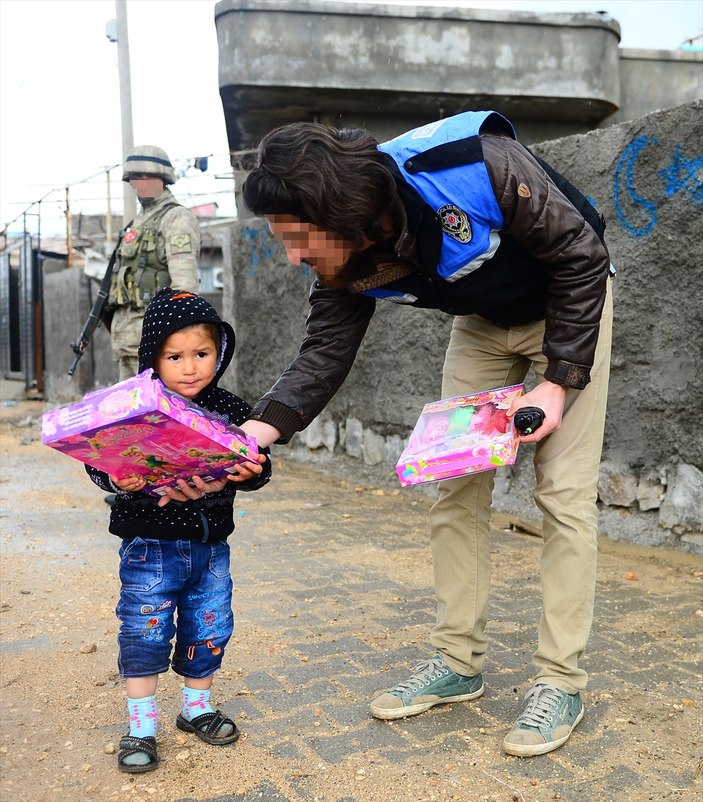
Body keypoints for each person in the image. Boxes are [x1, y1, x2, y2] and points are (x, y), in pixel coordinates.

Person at [238, 110, 614, 757]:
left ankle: (559, 680)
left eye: (297, 236)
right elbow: (323, 349)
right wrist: (256, 431)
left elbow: (582, 254)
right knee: (454, 486)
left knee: (563, 496)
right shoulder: (344, 258)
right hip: (482, 327)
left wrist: (556, 383)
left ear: (339, 213)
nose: (294, 254)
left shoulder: (470, 165)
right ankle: (457, 662)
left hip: (570, 308)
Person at [87, 288, 271, 773]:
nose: (190, 367)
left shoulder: (231, 410)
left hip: (211, 550)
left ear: (219, 352)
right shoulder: (134, 408)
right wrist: (116, 477)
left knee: (209, 627)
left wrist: (254, 470)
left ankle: (195, 709)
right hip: (150, 547)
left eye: (202, 353)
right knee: (143, 631)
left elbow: (259, 461)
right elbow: (99, 460)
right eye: (175, 356)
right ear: (154, 359)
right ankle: (141, 727)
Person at [108, 145, 201, 381]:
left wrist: (176, 338)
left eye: (147, 176)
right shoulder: (137, 222)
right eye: (135, 177)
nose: (140, 183)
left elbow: (185, 284)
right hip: (127, 341)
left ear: (163, 178)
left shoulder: (176, 218)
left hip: (155, 341)